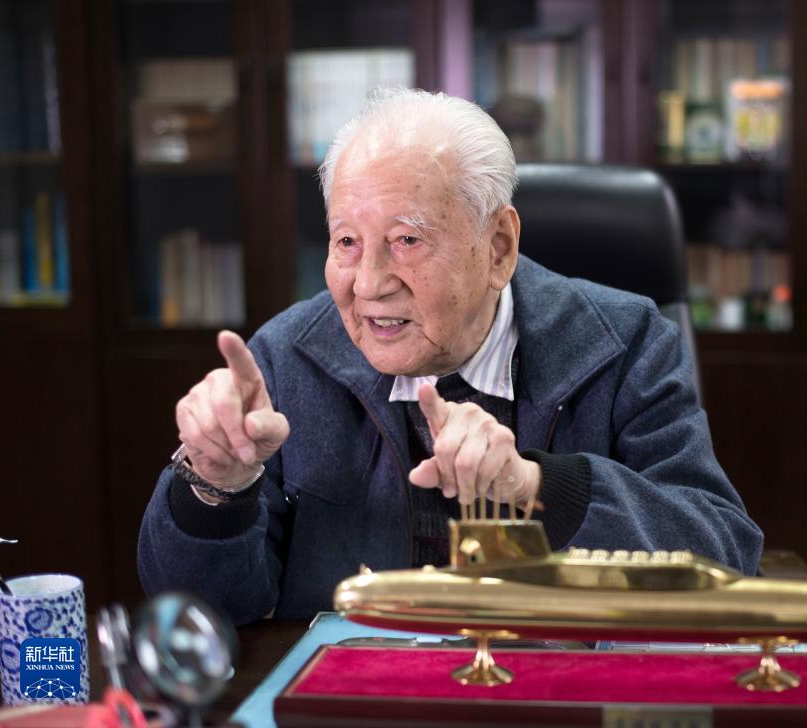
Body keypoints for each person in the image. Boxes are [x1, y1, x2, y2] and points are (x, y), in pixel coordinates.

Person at [138, 89, 763, 624]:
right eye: (347, 241)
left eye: (407, 240)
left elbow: (723, 554)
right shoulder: (286, 359)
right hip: (362, 693)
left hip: (552, 689)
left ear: (498, 248)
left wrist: (538, 487)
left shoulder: (627, 343)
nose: (368, 283)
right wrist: (216, 487)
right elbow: (203, 613)